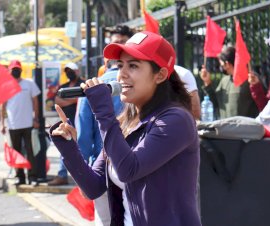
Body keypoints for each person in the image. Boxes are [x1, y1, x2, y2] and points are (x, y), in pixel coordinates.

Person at [50, 31, 201, 225]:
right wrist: (68, 147)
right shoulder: (125, 122)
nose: (122, 74)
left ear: (160, 75)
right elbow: (93, 187)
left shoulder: (176, 120)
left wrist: (103, 112)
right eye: (120, 65)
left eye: (133, 66)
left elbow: (129, 170)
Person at [76, 24, 133, 225]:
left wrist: (84, 176)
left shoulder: (91, 88)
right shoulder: (141, 88)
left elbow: (83, 138)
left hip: (107, 174)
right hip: (129, 173)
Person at [0, 60, 41, 185]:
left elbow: (35, 102)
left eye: (17, 69)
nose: (15, 71)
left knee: (31, 151)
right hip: (13, 125)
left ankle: (33, 177)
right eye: (13, 69)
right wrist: (2, 124)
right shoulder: (6, 86)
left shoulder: (29, 83)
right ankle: (20, 177)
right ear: (9, 71)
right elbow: (2, 106)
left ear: (21, 70)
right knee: (16, 152)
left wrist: (36, 118)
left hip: (28, 123)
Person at [48, 62, 85, 186]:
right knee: (64, 147)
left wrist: (67, 100)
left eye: (71, 70)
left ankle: (83, 175)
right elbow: (57, 101)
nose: (69, 73)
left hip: (81, 121)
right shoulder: (63, 86)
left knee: (83, 147)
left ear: (77, 71)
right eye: (67, 70)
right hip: (66, 122)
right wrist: (73, 100)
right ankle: (62, 175)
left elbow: (82, 98)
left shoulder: (83, 84)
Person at [200, 46, 259, 119]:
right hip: (225, 128)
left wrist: (256, 85)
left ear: (227, 64)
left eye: (221, 63)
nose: (220, 66)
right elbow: (215, 103)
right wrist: (207, 82)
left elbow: (262, 103)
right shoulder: (224, 80)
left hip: (245, 129)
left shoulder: (251, 80)